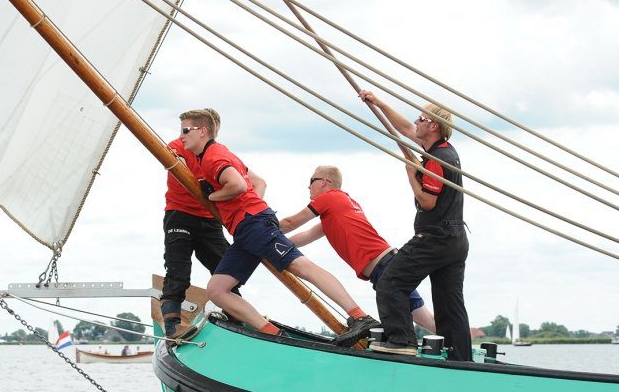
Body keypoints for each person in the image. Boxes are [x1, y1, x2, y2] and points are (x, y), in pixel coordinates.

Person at [179, 109, 372, 336]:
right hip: (245, 229)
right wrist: (246, 208)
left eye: (185, 130)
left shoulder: (213, 157)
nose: (181, 136)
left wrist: (214, 197)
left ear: (202, 131)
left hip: (253, 224)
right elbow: (258, 183)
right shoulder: (216, 154)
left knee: (301, 267)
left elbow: (239, 185)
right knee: (217, 290)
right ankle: (273, 334)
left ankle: (360, 316)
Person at [359, 91, 471, 360]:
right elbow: (405, 128)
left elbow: (427, 201)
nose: (415, 122)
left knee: (390, 283)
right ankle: (460, 359)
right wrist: (378, 101)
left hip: (435, 237)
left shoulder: (436, 160)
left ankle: (401, 341)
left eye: (421, 118)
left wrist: (411, 173)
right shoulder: (441, 150)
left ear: (433, 126)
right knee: (450, 304)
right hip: (455, 241)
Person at [278, 165, 437, 350]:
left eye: (311, 181)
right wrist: (278, 246)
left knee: (409, 319)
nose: (308, 187)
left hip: (385, 267)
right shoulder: (341, 203)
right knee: (422, 316)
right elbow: (307, 235)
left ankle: (413, 347)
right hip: (388, 264)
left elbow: (290, 223)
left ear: (324, 182)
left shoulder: (329, 198)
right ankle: (458, 344)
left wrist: (264, 230)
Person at [160, 108, 236, 339]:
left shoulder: (218, 154)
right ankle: (173, 323)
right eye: (182, 131)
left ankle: (238, 314)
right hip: (180, 214)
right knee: (178, 269)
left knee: (226, 267)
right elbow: (175, 161)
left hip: (208, 218)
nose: (183, 135)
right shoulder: (177, 145)